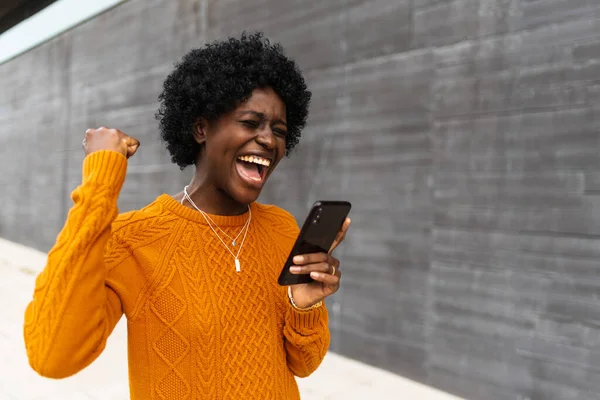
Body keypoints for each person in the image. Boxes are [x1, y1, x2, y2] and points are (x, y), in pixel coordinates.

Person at [23, 32, 351, 399]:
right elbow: (51, 355)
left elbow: (304, 364)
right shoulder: (136, 238)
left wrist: (303, 304)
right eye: (250, 122)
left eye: (279, 131)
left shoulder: (280, 227)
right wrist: (100, 183)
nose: (268, 140)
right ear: (200, 128)